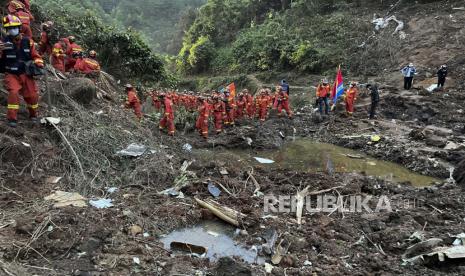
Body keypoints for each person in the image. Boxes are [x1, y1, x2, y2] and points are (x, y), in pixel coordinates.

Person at [0, 15, 44, 127]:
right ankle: (12, 119)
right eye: (9, 28)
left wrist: (38, 62)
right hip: (11, 74)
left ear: (19, 27)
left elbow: (36, 55)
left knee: (32, 96)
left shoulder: (28, 41)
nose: (12, 30)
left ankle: (33, 115)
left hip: (26, 73)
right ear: (6, 30)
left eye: (14, 27)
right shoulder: (3, 43)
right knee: (13, 93)